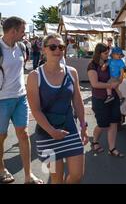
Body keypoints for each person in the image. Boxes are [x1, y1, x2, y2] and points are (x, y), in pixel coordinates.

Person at [26, 33, 88, 184]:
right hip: (47, 137)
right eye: (53, 47)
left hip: (70, 132)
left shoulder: (71, 72)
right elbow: (36, 110)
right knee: (55, 178)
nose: (58, 50)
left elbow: (78, 102)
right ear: (44, 50)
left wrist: (83, 126)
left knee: (77, 175)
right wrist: (52, 131)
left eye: (61, 47)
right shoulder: (35, 76)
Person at [0, 16, 43, 184]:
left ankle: (28, 176)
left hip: (20, 98)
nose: (25, 34)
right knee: (1, 137)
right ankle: (1, 169)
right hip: (2, 100)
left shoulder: (21, 47)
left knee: (24, 135)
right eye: (23, 31)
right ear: (13, 31)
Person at [87, 43, 124, 157]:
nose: (108, 55)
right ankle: (95, 141)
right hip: (100, 98)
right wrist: (110, 86)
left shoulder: (111, 62)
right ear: (99, 53)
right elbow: (95, 84)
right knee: (102, 124)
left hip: (113, 97)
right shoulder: (92, 65)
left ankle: (112, 149)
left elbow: (117, 76)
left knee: (113, 123)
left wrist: (119, 81)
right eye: (105, 53)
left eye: (108, 53)